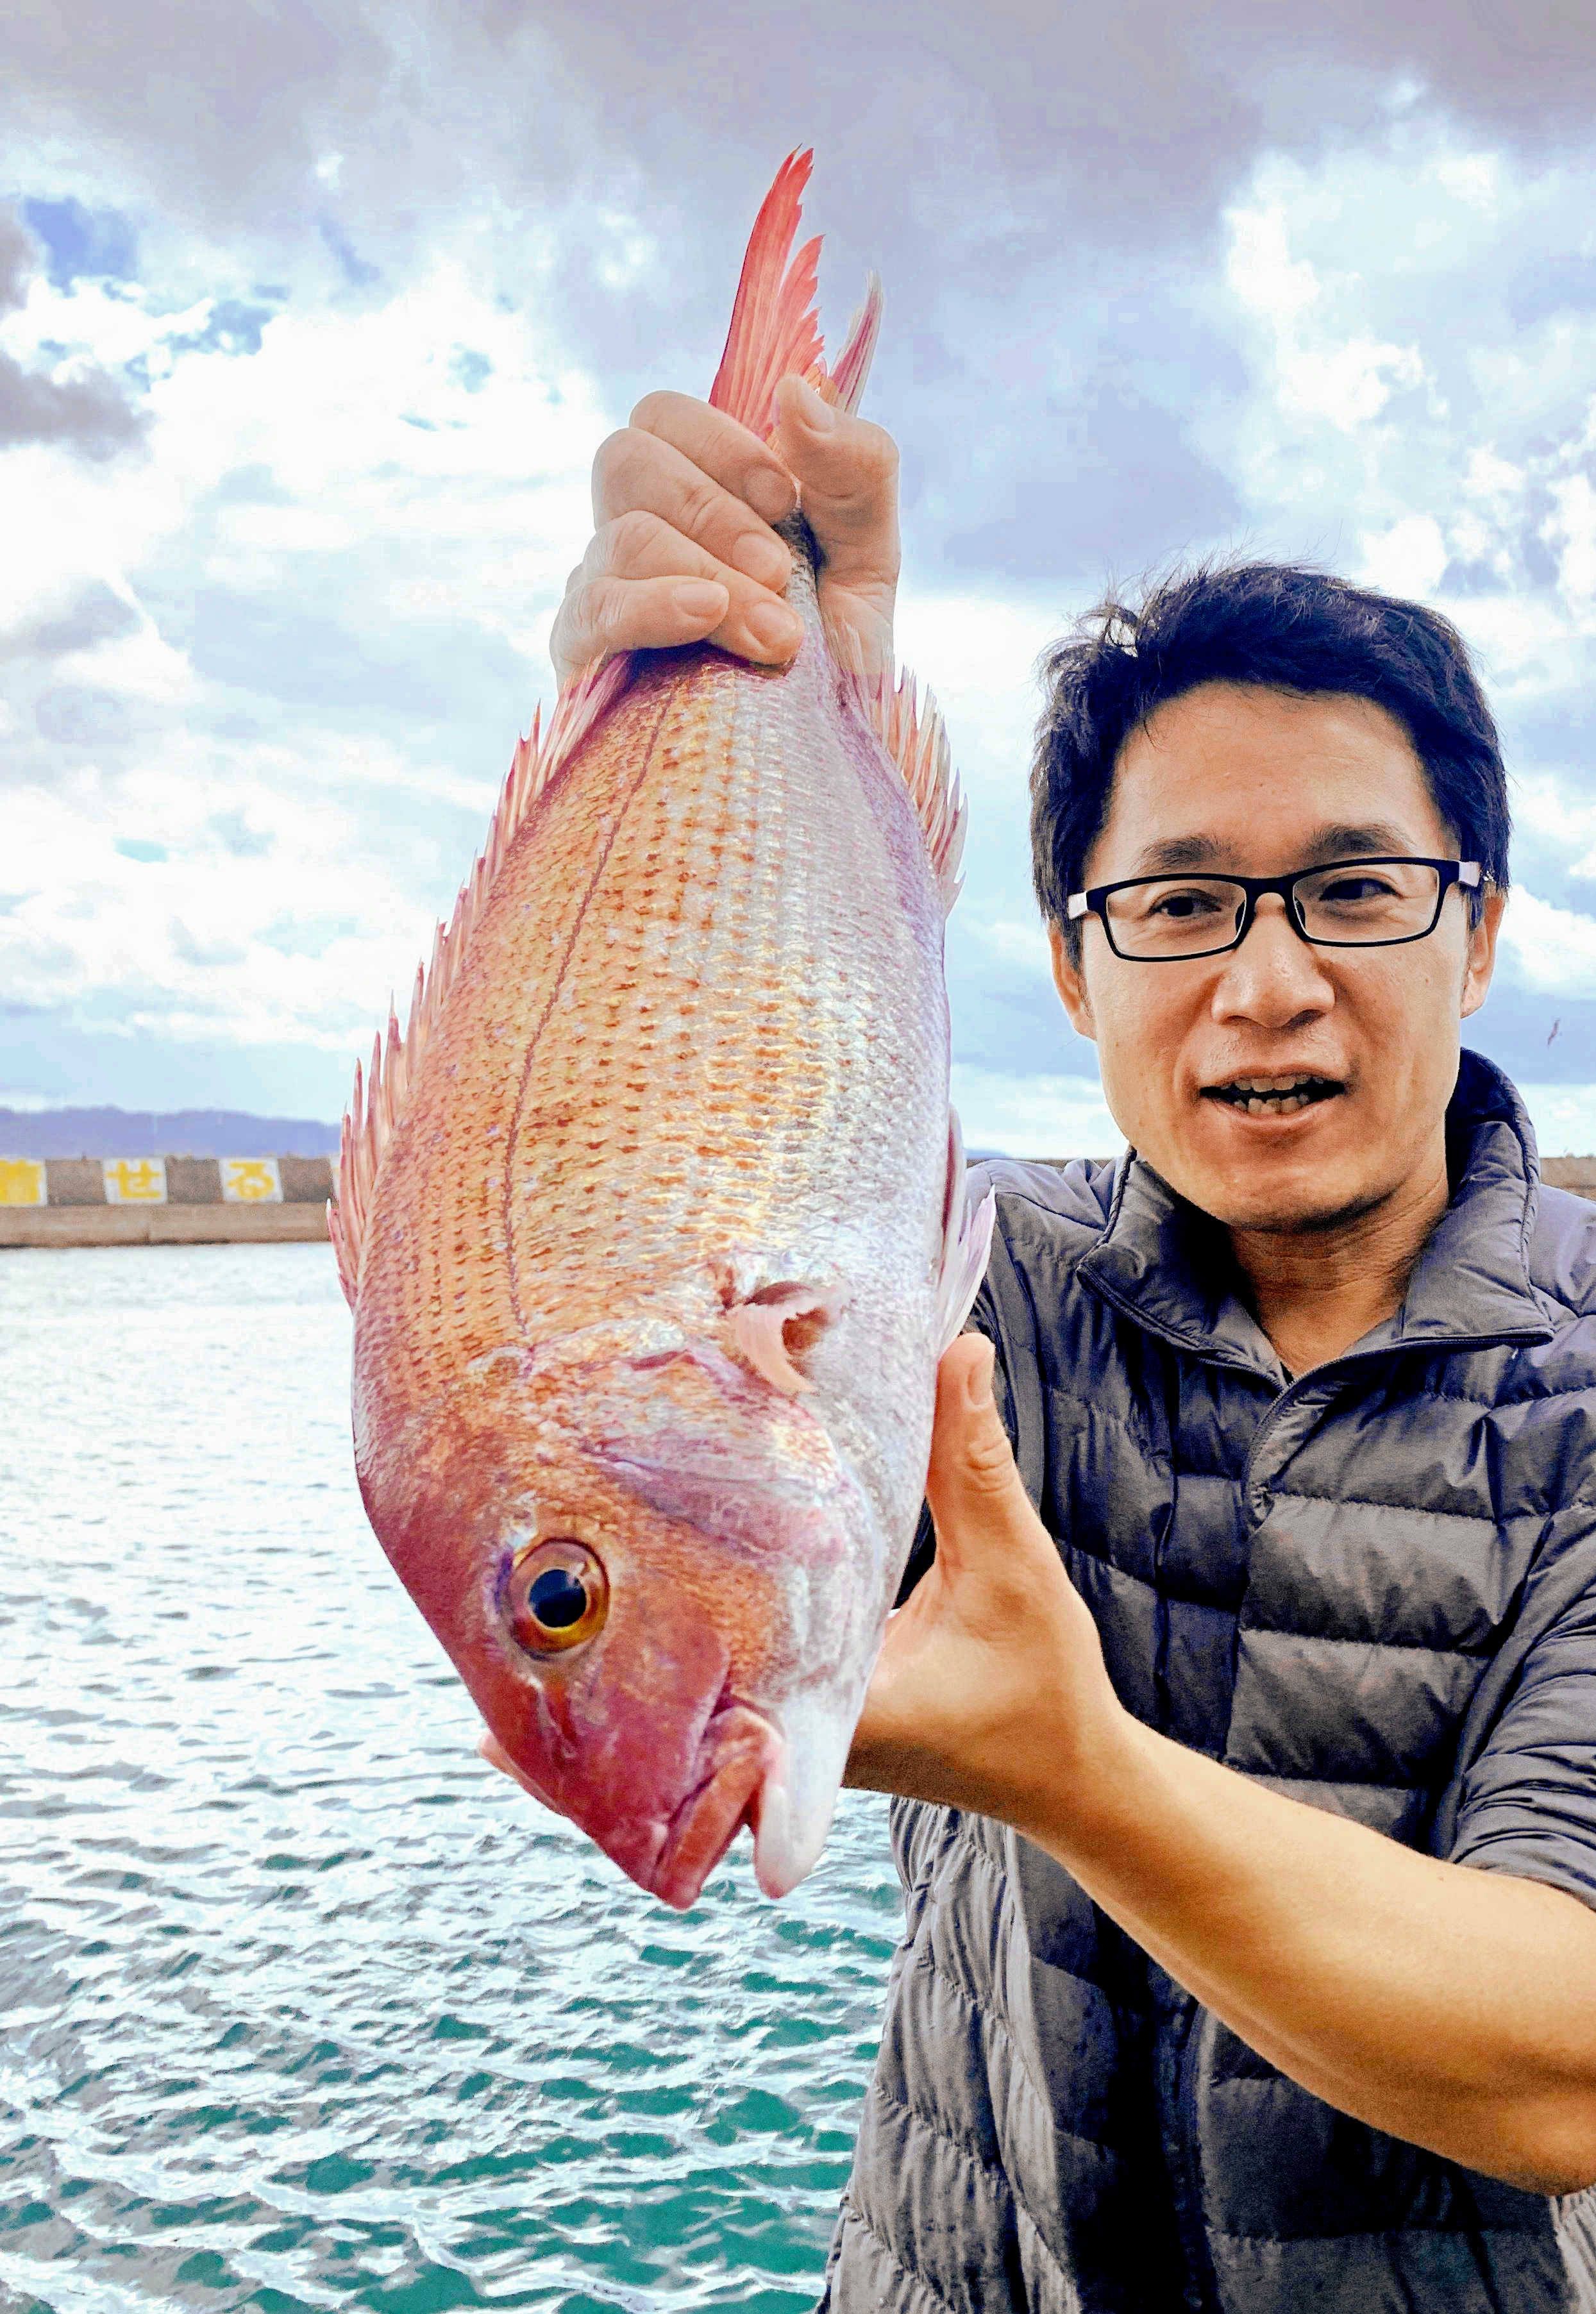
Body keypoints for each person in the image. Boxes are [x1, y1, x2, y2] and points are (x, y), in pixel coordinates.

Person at [548, 380, 1596, 2310]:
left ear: (1477, 928)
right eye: (1179, 901)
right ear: (1069, 962)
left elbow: (1570, 2051)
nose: (1265, 983)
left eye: (1354, 889)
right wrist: (746, 689)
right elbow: (620, 1294)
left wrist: (1071, 1769)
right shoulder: (957, 1287)